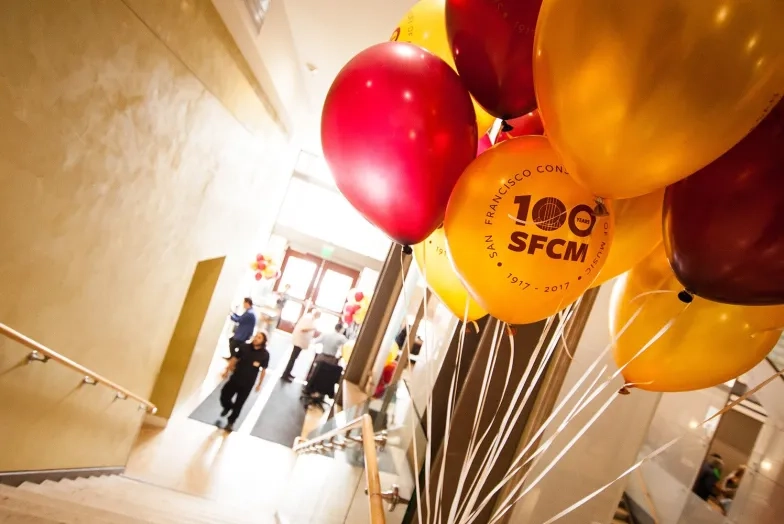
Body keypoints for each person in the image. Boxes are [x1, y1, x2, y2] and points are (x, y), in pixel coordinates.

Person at [217, 331, 269, 431]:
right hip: (236, 378)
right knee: (224, 394)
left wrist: (259, 384)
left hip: (248, 383)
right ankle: (227, 406)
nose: (256, 339)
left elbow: (263, 370)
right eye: (256, 336)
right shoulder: (244, 347)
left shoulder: (264, 355)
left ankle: (231, 422)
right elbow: (234, 359)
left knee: (239, 403)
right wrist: (227, 370)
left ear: (263, 341)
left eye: (259, 338)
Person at [282, 309, 321, 381]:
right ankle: (285, 374)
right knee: (293, 358)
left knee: (294, 358)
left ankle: (288, 372)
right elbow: (303, 329)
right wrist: (313, 328)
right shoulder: (308, 318)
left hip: (301, 341)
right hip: (299, 341)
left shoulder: (311, 319)